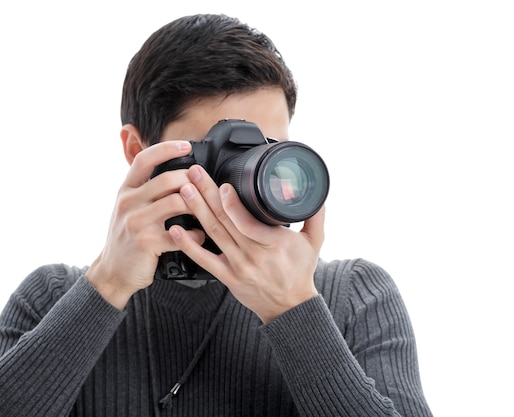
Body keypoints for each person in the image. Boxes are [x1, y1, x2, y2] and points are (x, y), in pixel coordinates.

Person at [0, 13, 433, 417]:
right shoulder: (50, 298)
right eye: (221, 153)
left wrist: (294, 306)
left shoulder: (354, 296)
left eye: (268, 151)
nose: (252, 177)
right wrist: (107, 286)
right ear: (138, 151)